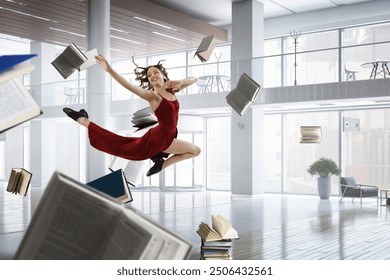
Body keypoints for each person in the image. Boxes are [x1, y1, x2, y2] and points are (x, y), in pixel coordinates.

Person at [63, 54, 201, 176]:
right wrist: (109, 69)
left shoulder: (172, 90)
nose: (152, 76)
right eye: (149, 75)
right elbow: (129, 86)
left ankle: (159, 162)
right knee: (117, 143)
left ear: (162, 74)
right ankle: (81, 119)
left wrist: (181, 81)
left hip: (167, 135)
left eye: (155, 72)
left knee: (195, 151)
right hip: (160, 138)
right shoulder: (153, 96)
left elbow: (194, 78)